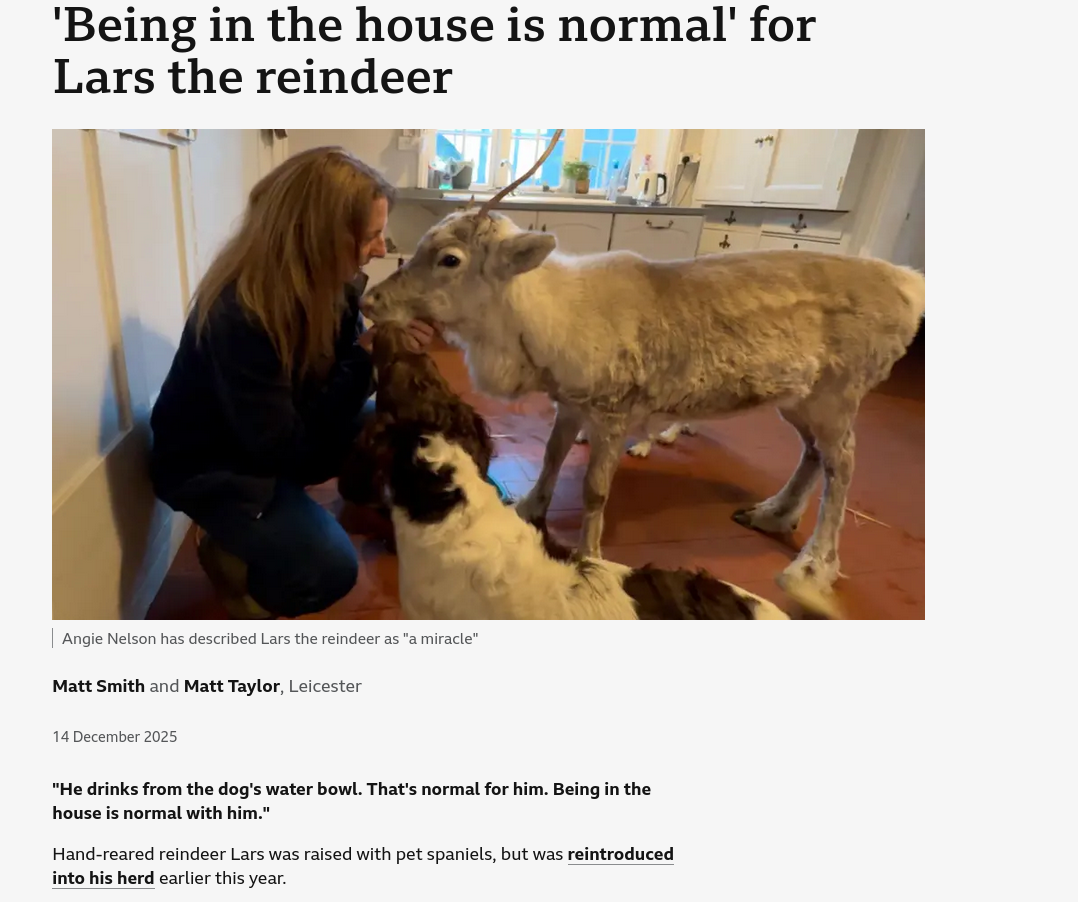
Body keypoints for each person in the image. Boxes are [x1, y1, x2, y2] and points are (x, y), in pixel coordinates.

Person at [149, 147, 437, 620]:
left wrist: (382, 346)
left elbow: (324, 386)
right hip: (215, 467)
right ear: (317, 238)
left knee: (392, 430)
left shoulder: (333, 284)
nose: (383, 249)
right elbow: (289, 451)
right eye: (372, 236)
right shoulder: (240, 316)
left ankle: (276, 524)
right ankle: (231, 554)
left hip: (272, 434)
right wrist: (367, 358)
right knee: (328, 568)